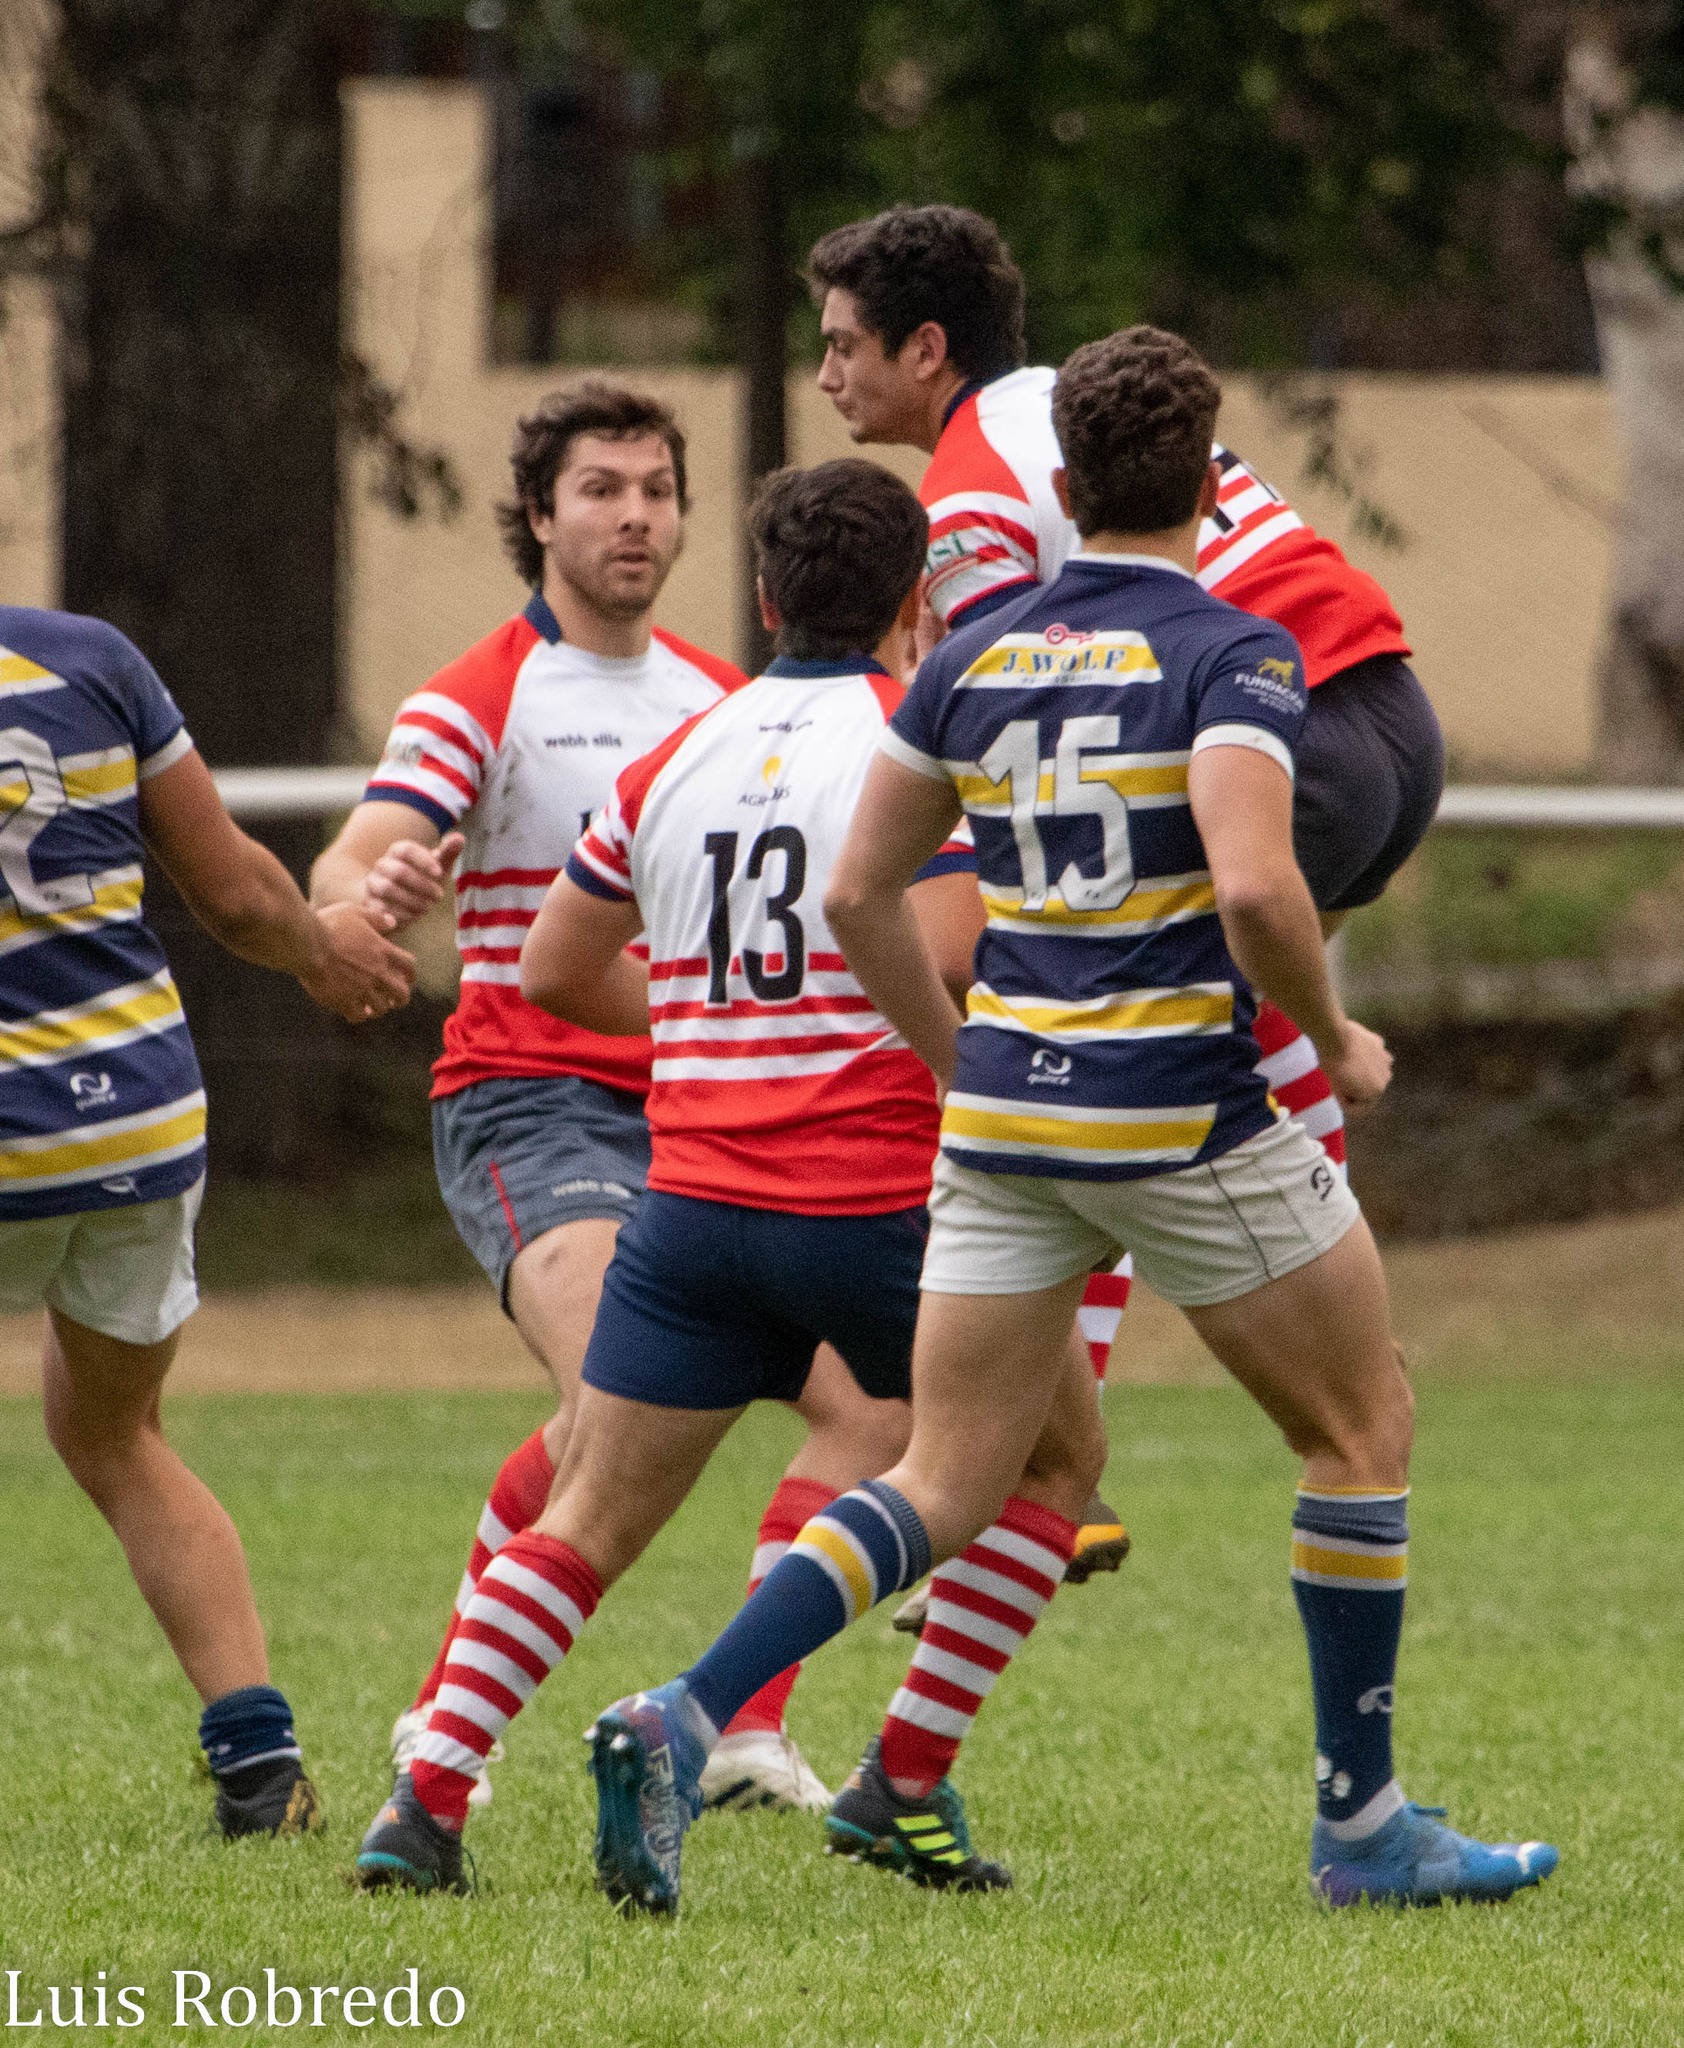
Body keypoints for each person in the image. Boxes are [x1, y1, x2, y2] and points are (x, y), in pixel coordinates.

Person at [587, 330, 1558, 1914]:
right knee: (1360, 1426)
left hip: (1004, 1128)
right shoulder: (1236, 651)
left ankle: (682, 1714)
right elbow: (1258, 888)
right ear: (1209, 479)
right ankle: (1365, 1827)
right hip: (1176, 1116)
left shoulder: (970, 654)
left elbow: (860, 891)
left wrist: (959, 1055)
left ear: (1061, 483)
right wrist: (1333, 1040)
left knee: (948, 1477)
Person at [350, 458, 1110, 1904]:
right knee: (1051, 1458)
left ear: (764, 597)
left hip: (691, 1209)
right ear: (916, 602)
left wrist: (711, 1028)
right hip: (874, 1201)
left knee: (586, 1516)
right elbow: (947, 959)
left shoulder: (680, 752)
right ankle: (844, 1759)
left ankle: (426, 1799)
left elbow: (552, 966)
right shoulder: (918, 742)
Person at [311, 382, 909, 1816]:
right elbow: (355, 855)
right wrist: (372, 891)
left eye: (657, 489)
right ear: (539, 515)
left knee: (873, 1417)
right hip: (531, 1104)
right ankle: (442, 1724)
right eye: (600, 489)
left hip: (701, 1118)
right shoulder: (482, 692)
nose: (634, 516)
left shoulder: (715, 699)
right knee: (604, 1406)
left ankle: (746, 1729)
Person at [0, 605, 414, 1838]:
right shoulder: (91, 658)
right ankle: (260, 1765)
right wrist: (322, 952)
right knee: (115, 1431)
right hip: (132, 1121)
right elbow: (233, 891)